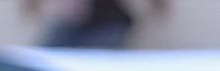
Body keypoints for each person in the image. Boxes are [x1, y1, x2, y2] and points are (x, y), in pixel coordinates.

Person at [23, 0, 168, 48]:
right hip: (73, 25)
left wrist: (158, 4)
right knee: (45, 53)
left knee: (95, 57)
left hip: (109, 24)